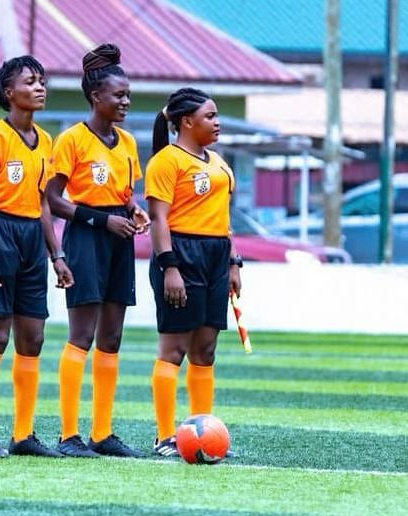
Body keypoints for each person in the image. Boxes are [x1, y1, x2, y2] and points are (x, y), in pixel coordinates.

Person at [45, 43, 149, 458]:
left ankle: (101, 433)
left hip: (119, 241)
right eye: (118, 96)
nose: (125, 102)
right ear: (95, 97)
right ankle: (69, 435)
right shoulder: (72, 139)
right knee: (82, 335)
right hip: (87, 238)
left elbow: (125, 193)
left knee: (112, 336)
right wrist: (101, 219)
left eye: (127, 96)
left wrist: (133, 208)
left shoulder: (126, 142)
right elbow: (53, 200)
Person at [0, 56, 73, 458]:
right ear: (9, 93)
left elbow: (44, 204)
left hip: (32, 238)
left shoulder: (45, 141)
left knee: (33, 337)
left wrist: (56, 255)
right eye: (30, 82)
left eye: (42, 80)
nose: (40, 87)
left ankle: (23, 434)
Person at [144, 87, 242, 458]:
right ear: (187, 122)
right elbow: (158, 219)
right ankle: (165, 436)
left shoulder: (218, 162)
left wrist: (233, 262)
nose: (217, 123)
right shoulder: (167, 161)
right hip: (181, 255)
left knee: (205, 348)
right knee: (174, 348)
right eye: (210, 116)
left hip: (216, 256)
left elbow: (223, 220)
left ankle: (201, 434)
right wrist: (169, 267)